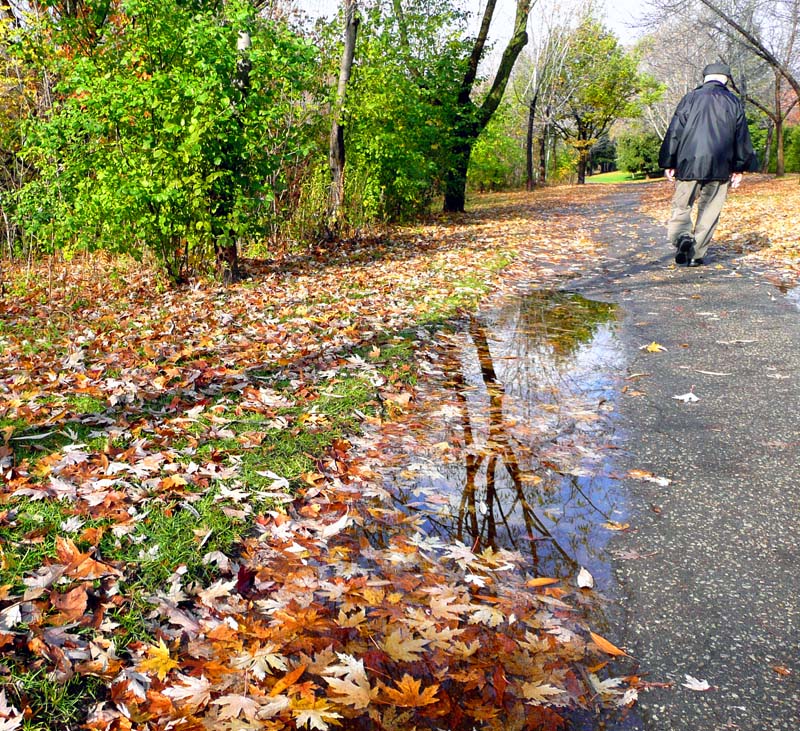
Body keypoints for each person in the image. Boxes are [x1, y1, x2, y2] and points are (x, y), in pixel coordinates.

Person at [658, 62, 759, 267]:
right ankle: (696, 254)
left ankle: (681, 238)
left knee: (682, 205)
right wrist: (739, 168)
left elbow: (675, 131)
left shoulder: (690, 99)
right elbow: (741, 137)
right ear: (726, 79)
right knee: (710, 210)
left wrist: (669, 161)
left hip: (688, 164)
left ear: (705, 77)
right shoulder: (733, 102)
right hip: (721, 166)